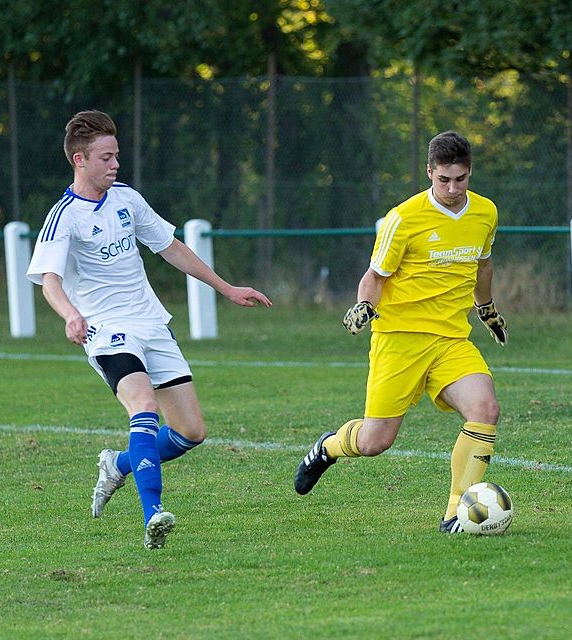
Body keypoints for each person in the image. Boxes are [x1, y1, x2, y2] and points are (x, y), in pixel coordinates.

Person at [27, 110, 272, 549]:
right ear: (79, 160)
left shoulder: (127, 199)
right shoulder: (64, 215)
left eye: (117, 155)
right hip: (105, 330)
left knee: (191, 432)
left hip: (151, 323)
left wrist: (226, 288)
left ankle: (118, 464)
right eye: (105, 157)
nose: (115, 164)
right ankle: (152, 514)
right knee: (143, 407)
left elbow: (171, 249)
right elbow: (49, 280)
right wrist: (69, 314)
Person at [294, 130, 507, 533]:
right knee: (376, 442)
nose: (451, 188)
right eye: (443, 179)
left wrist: (487, 308)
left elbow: (483, 265)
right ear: (429, 172)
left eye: (460, 179)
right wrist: (364, 306)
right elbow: (376, 275)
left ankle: (456, 514)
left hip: (450, 339)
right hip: (400, 340)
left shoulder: (485, 213)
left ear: (469, 174)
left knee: (485, 409)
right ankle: (327, 448)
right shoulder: (403, 218)